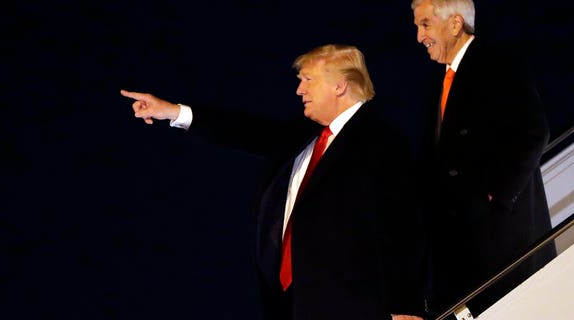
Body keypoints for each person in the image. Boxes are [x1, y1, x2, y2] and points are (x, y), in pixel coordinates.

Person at [121, 44, 426, 320]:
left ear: (340, 85)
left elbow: (402, 228)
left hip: (353, 308)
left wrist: (404, 307)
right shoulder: (304, 135)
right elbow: (245, 130)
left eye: (308, 80)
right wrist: (174, 112)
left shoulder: (382, 143)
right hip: (293, 306)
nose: (299, 90)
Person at [409, 0, 557, 318]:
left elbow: (533, 131)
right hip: (462, 250)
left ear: (455, 23)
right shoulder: (439, 82)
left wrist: (496, 195)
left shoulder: (497, 62)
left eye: (424, 24)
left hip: (502, 240)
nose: (419, 36)